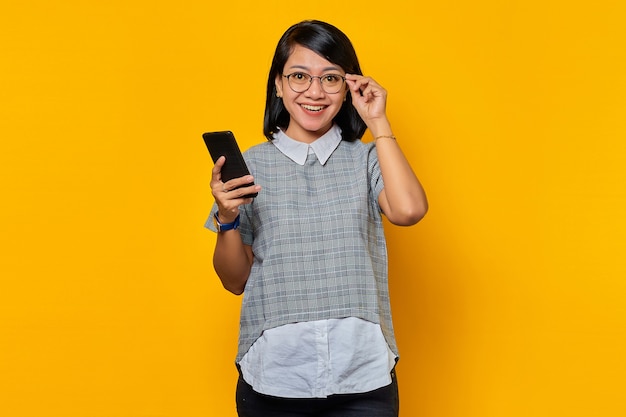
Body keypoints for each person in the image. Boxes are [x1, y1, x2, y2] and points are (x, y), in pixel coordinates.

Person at [206, 20, 428, 417]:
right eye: (299, 76)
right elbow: (233, 280)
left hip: (363, 376)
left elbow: (409, 211)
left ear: (349, 88)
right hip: (274, 376)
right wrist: (227, 218)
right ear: (278, 83)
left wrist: (378, 122)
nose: (315, 91)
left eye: (331, 78)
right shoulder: (250, 166)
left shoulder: (366, 158)